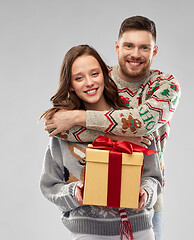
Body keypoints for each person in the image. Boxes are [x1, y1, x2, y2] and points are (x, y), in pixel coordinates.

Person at [44, 16, 181, 240]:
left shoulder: (164, 86)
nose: (135, 54)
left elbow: (142, 124)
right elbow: (58, 124)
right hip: (90, 218)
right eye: (129, 45)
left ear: (154, 51)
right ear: (117, 47)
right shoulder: (98, 77)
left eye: (144, 47)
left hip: (145, 204)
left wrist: (77, 117)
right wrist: (119, 138)